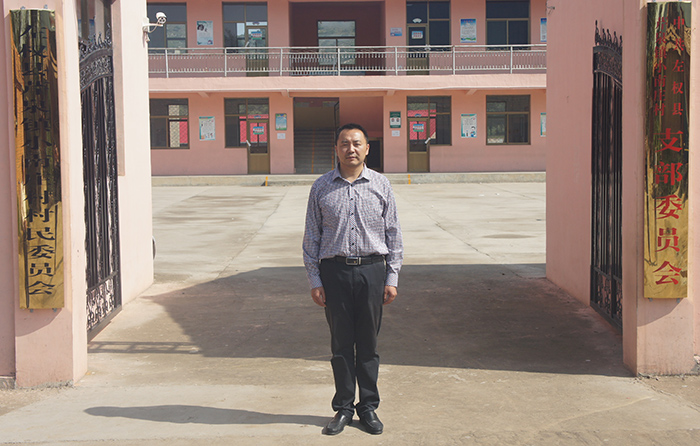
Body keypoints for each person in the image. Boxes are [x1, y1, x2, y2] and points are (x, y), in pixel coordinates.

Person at [303, 123, 403, 435]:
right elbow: (312, 237)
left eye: (357, 143)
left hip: (372, 271)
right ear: (336, 148)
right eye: (345, 143)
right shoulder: (321, 187)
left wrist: (392, 276)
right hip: (335, 273)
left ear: (367, 148)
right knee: (341, 344)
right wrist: (315, 280)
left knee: (368, 344)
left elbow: (393, 233)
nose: (351, 149)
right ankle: (344, 408)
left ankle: (368, 407)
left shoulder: (381, 185)